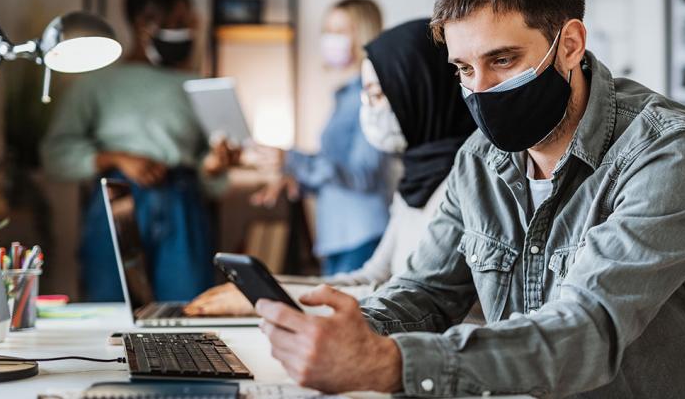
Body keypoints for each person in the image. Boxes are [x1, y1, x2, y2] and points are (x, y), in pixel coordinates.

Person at [250, 0, 685, 398]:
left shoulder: (669, 155)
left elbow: (585, 332)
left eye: (502, 60)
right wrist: (348, 331)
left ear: (569, 44)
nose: (479, 90)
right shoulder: (480, 159)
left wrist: (389, 363)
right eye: (463, 68)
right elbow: (425, 293)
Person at [183, 18, 477, 317]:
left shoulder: (465, 183)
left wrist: (264, 299)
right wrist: (265, 288)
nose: (369, 111)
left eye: (376, 96)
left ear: (418, 91)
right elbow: (372, 276)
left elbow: (406, 299)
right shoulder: (415, 182)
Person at [41, 0, 237, 302]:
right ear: (144, 23)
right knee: (110, 308)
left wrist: (214, 166)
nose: (188, 32)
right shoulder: (97, 84)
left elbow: (212, 170)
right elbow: (56, 153)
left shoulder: (196, 85)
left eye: (189, 24)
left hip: (183, 202)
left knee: (187, 311)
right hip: (117, 201)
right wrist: (116, 157)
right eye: (179, 23)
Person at [251, 0, 396, 276]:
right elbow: (334, 169)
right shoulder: (344, 96)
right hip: (337, 236)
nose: (330, 39)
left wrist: (292, 159)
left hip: (361, 234)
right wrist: (296, 176)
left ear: (363, 34)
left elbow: (364, 174)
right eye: (328, 30)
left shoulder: (370, 95)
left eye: (340, 31)